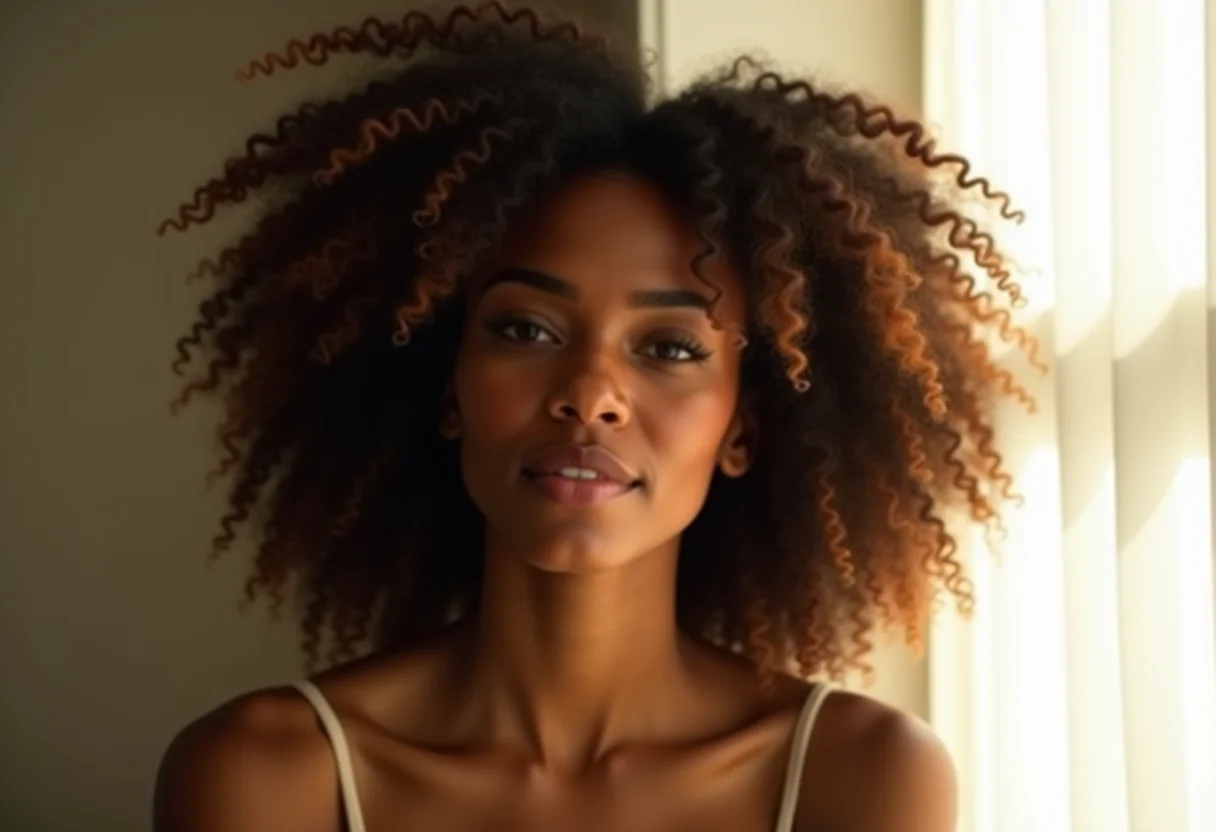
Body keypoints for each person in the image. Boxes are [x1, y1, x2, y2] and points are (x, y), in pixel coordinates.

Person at [152, 3, 1037, 830]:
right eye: (525, 329)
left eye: (671, 348)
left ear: (744, 430)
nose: (590, 392)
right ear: (450, 389)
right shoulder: (264, 776)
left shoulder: (863, 776)